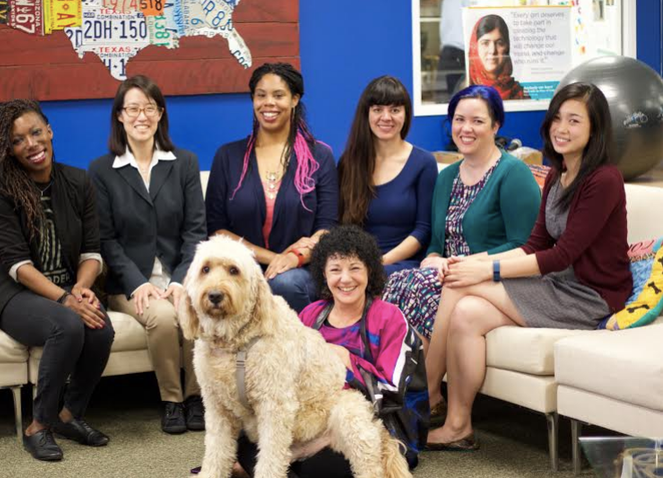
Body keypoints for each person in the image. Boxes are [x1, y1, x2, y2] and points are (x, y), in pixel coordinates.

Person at [425, 82, 632, 450]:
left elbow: (561, 255)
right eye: (557, 118)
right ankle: (459, 424)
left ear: (595, 128)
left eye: (574, 121)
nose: (561, 128)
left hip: (592, 296)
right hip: (558, 285)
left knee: (459, 286)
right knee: (467, 313)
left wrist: (484, 271)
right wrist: (473, 261)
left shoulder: (604, 180)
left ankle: (423, 398)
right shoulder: (556, 174)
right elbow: (535, 245)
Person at [0, 100, 114, 461]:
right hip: (11, 290)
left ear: (49, 131)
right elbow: (17, 264)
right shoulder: (0, 188)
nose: (31, 144)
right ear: (10, 149)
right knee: (67, 323)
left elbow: (92, 252)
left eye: (36, 132)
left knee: (101, 327)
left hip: (66, 284)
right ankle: (38, 425)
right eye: (18, 140)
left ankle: (69, 415)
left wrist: (81, 287)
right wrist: (66, 301)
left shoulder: (78, 181)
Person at [237, 225, 423, 477]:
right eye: (335, 269)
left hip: (376, 427)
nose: (345, 279)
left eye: (355, 268)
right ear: (324, 274)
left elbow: (393, 394)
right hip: (315, 421)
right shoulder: (310, 314)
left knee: (323, 468)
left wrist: (348, 363)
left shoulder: (390, 318)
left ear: (370, 270)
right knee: (246, 440)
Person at [88, 75, 207, 434]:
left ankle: (196, 399)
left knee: (188, 308)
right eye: (133, 108)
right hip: (130, 283)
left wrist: (179, 280)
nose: (142, 116)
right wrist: (138, 283)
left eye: (149, 108)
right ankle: (172, 401)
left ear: (160, 114)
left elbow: (195, 232)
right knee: (160, 316)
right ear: (120, 116)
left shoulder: (184, 163)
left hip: (178, 275)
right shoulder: (102, 171)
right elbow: (106, 240)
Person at [383, 85, 540, 351]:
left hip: (498, 276)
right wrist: (434, 261)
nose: (466, 128)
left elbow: (524, 245)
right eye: (459, 120)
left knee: (413, 287)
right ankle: (406, 380)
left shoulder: (513, 174)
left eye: (477, 121)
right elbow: (435, 244)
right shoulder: (446, 177)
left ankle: (422, 386)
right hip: (450, 275)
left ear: (495, 126)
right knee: (395, 281)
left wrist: (463, 264)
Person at [206, 62, 338, 313]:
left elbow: (327, 228)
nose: (269, 103)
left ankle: (303, 350)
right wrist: (273, 258)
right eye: (261, 95)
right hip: (240, 267)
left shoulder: (319, 156)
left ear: (294, 99)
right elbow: (216, 230)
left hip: (302, 270)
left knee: (285, 282)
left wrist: (294, 258)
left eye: (278, 95)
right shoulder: (227, 156)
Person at [338, 76, 438, 275]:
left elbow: (423, 230)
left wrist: (378, 263)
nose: (386, 117)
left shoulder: (424, 163)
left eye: (395, 110)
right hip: (356, 265)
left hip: (403, 265)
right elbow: (340, 225)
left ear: (406, 114)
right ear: (366, 114)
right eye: (377, 110)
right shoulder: (349, 163)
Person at [468, 14, 529, 100]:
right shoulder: (466, 91)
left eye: (499, 43)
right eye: (485, 43)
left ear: (506, 48)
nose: (492, 51)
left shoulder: (518, 93)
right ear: (475, 48)